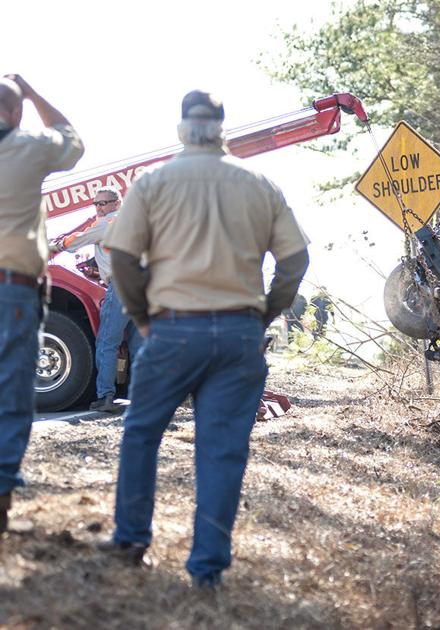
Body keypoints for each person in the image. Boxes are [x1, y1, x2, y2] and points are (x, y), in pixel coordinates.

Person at [101, 90, 309, 587]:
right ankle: (207, 570)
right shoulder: (259, 184)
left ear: (181, 129)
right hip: (238, 332)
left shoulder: (153, 183)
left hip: (171, 329)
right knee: (222, 450)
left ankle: (131, 540)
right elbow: (295, 259)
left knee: (142, 432)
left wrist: (140, 316)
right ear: (222, 129)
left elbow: (121, 256)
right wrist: (266, 313)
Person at [0, 74, 84, 533]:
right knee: (12, 392)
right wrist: (32, 93)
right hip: (12, 289)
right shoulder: (29, 147)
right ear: (16, 113)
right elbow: (72, 141)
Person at [50, 186, 129, 413]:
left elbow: (77, 240)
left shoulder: (108, 223)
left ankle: (105, 397)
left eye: (103, 203)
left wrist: (55, 245)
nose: (99, 208)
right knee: (138, 342)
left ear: (116, 203)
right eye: (96, 204)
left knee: (107, 342)